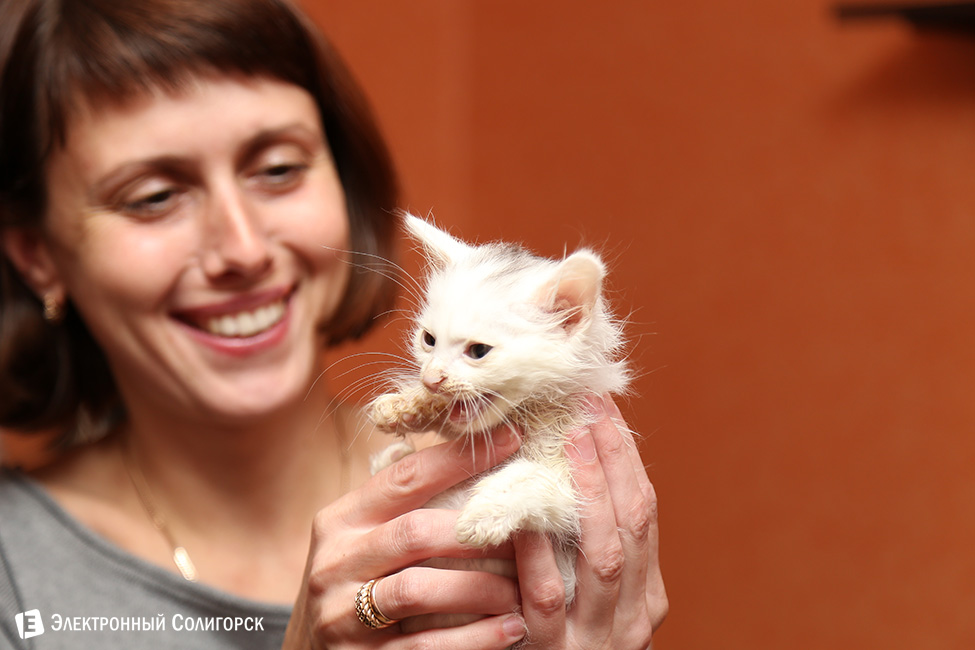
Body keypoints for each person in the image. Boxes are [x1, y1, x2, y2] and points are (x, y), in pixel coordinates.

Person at [0, 0, 668, 648]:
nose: (243, 249)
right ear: (37, 256)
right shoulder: (15, 575)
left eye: (278, 169)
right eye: (154, 197)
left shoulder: (531, 470)